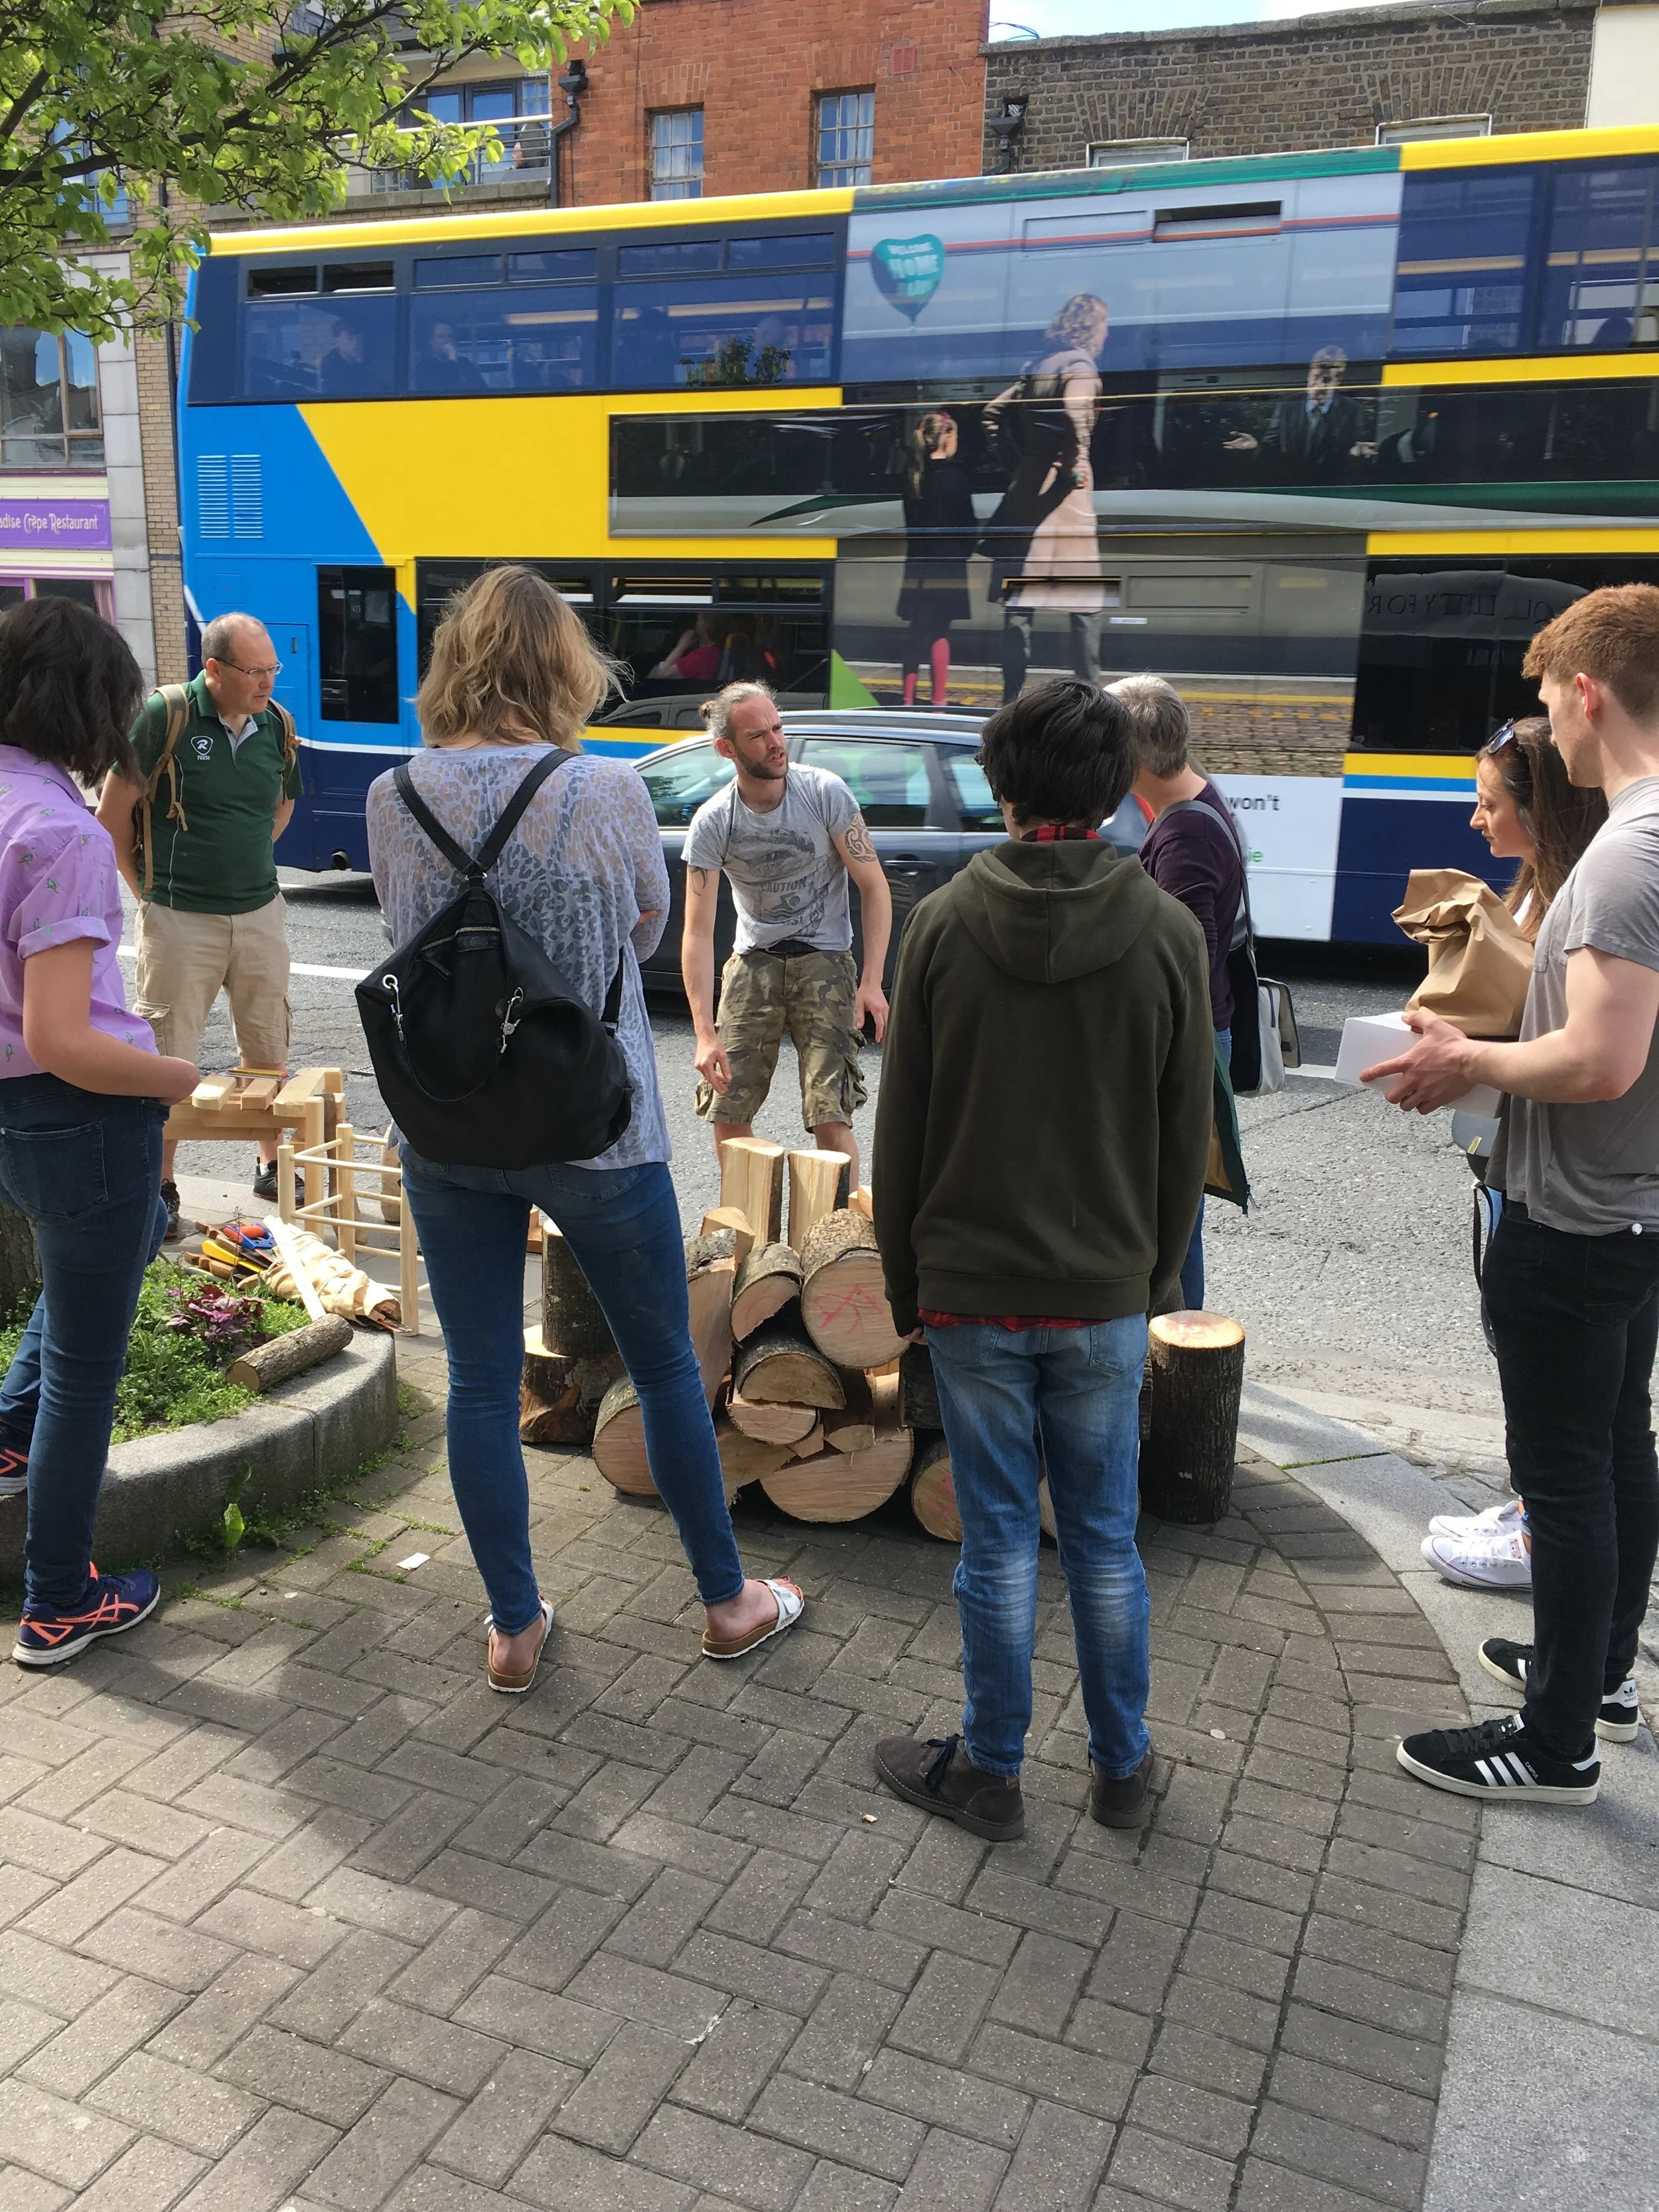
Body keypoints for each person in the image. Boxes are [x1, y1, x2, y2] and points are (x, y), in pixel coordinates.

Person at [366, 567, 802, 1691]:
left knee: (477, 1381)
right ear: (564, 666)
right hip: (595, 1121)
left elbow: (409, 931)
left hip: (450, 1122)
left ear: (455, 663)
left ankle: (513, 1626)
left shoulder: (391, 794)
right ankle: (727, 1602)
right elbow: (644, 931)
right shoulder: (603, 789)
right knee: (663, 1366)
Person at [869, 679, 1214, 1841]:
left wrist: (906, 1285)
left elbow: (903, 1127)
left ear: (999, 784)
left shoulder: (942, 923)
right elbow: (1185, 1138)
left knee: (1001, 1539)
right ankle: (1123, 1767)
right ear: (1117, 786)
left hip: (971, 1292)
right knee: (1106, 1538)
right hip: (1106, 1293)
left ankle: (991, 1768)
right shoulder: (1166, 931)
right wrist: (1152, 1281)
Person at [1367, 583, 1659, 1805]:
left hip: (1576, 1213)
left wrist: (1469, 1059)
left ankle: (1555, 1744)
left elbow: (1600, 1061)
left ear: (1588, 693)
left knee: (1569, 1477)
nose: (1549, 721)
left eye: (1548, 698)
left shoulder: (1623, 856)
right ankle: (1597, 1679)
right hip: (1635, 1207)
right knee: (1621, 1449)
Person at [0, 598, 200, 1662]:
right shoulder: (61, 831)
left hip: (15, 1117)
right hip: (82, 1114)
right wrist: (175, 1076)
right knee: (86, 1366)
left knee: (97, 1269)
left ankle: (5, 1437)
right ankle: (60, 1600)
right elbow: (65, 1037)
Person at [1421, 715, 1607, 1593]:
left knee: (1558, 1379)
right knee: (1526, 1355)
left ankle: (1539, 1530)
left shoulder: (1585, 902)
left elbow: (1578, 1052)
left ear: (1542, 812)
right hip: (1506, 1153)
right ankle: (1529, 1502)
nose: (1474, 819)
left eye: (1488, 804)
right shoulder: (1538, 889)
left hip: (1554, 1175)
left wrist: (1464, 1058)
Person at [96, 613, 302, 1237]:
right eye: (255, 671)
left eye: (272, 669)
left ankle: (270, 1165)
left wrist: (245, 859)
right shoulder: (165, 716)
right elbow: (111, 818)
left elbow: (282, 804)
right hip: (179, 916)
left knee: (267, 1041)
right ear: (214, 668)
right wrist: (149, 896)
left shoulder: (277, 724)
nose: (267, 681)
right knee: (166, 1052)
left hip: (260, 910)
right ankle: (161, 1185)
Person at [682, 682, 892, 1191]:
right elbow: (697, 932)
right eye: (759, 735)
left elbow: (874, 886)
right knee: (727, 1107)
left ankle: (837, 1230)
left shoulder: (824, 792)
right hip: (754, 959)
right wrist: (704, 1032)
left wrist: (871, 981)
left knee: (829, 1111)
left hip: (825, 956)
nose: (777, 742)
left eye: (778, 728)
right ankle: (748, 1221)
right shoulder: (713, 821)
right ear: (727, 749)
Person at [1114, 674, 1244, 1312]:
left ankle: (1178, 1346)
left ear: (1133, 758)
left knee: (1173, 1215)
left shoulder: (1185, 834)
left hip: (1187, 1041)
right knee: (1178, 1210)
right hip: (1202, 1032)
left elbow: (1185, 959)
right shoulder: (1196, 800)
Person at [983, 294, 1111, 702]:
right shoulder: (1080, 367)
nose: (1106, 333)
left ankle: (1011, 696)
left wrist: (1017, 463)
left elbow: (991, 414)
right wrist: (1076, 461)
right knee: (1085, 602)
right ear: (1091, 327)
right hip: (1066, 500)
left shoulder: (1037, 367)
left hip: (1026, 492)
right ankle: (1091, 696)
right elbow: (1075, 411)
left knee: (1020, 602)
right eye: (1104, 325)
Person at [896, 410, 977, 708]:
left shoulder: (913, 476)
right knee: (940, 631)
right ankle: (938, 701)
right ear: (946, 438)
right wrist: (964, 552)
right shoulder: (956, 478)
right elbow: (968, 526)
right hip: (948, 564)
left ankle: (907, 698)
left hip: (918, 564)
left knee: (917, 631)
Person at [1224, 345, 1377, 479]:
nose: (1319, 386)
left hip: (1331, 488)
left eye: (1327, 380)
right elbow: (1271, 448)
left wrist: (1356, 453)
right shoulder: (1287, 405)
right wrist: (1255, 447)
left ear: (1338, 382)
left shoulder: (1352, 410)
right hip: (1291, 487)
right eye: (1316, 378)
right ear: (1308, 375)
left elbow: (1355, 451)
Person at [651, 611, 724, 684]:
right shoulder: (716, 651)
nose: (696, 624)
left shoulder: (704, 655)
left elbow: (661, 676)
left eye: (698, 620)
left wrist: (681, 646)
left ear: (706, 625)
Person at [419, 320, 486, 395]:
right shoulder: (424, 367)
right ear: (431, 341)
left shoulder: (465, 363)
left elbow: (482, 389)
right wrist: (452, 360)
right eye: (441, 337)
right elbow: (446, 389)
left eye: (450, 337)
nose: (447, 341)